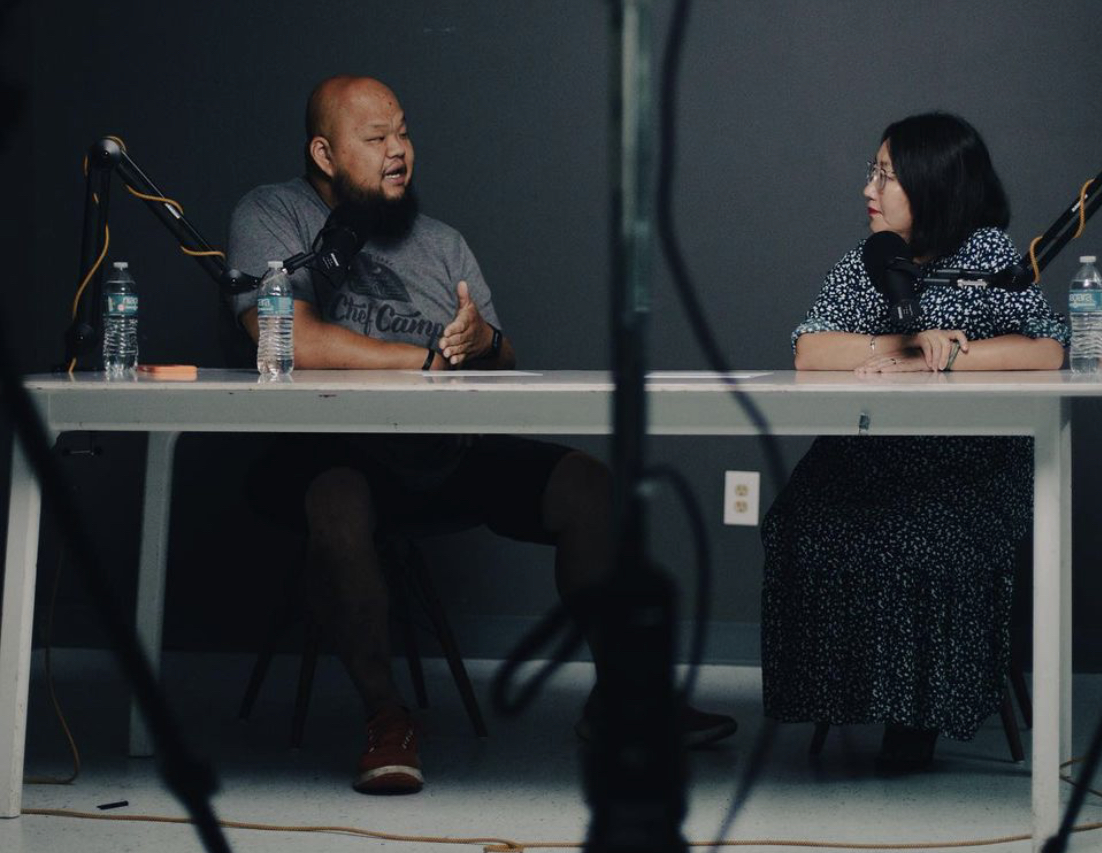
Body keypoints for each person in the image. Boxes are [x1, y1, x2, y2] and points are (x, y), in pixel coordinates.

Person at [227, 75, 736, 795]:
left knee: (593, 490)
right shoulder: (275, 214)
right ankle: (387, 718)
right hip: (333, 455)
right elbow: (288, 337)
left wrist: (480, 339)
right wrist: (424, 361)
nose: (398, 151)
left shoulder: (440, 243)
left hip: (442, 450)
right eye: (375, 140)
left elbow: (505, 360)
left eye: (403, 132)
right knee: (337, 503)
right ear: (325, 152)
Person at [761, 112, 1068, 772]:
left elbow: (1047, 348)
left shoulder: (985, 257)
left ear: (933, 185)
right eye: (872, 172)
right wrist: (896, 345)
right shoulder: (868, 259)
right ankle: (845, 692)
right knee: (798, 522)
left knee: (919, 533)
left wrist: (951, 358)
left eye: (886, 175)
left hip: (968, 464)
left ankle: (915, 712)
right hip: (868, 456)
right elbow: (810, 349)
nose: (868, 189)